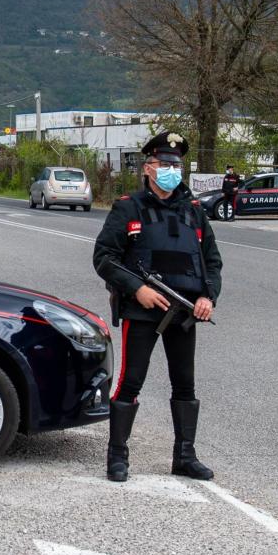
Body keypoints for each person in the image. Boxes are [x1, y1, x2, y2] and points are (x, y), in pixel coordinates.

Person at [92, 131, 223, 482]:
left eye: (176, 165)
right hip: (143, 311)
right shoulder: (128, 208)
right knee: (131, 382)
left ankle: (185, 456)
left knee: (185, 385)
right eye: (164, 164)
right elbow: (104, 258)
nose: (171, 170)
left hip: (184, 313)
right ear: (148, 168)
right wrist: (138, 290)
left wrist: (208, 298)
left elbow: (211, 262)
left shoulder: (194, 213)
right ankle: (117, 458)